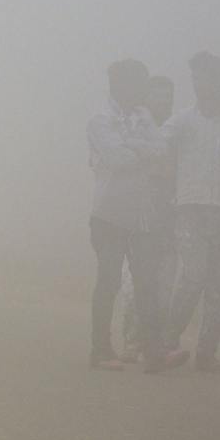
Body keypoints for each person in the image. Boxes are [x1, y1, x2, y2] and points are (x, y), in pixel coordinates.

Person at [87, 59, 180, 371]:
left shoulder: (143, 116)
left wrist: (134, 149)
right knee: (109, 281)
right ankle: (100, 350)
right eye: (140, 83)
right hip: (109, 213)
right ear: (121, 85)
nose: (144, 90)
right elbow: (116, 159)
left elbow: (162, 152)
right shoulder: (99, 120)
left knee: (146, 283)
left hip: (142, 213)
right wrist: (143, 151)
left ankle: (153, 352)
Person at [164, 51, 220, 371]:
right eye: (196, 78)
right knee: (193, 274)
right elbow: (161, 149)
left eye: (207, 78)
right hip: (190, 207)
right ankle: (166, 340)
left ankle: (207, 352)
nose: (201, 84)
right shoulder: (183, 119)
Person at [120, 74, 179, 361]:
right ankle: (133, 342)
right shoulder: (134, 127)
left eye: (168, 97)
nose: (164, 102)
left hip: (170, 218)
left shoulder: (178, 130)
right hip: (139, 217)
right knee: (137, 283)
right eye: (158, 96)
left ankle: (154, 343)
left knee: (165, 283)